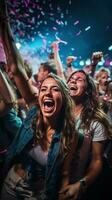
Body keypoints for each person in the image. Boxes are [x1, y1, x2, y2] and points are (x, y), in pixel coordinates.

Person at [0, 1, 78, 199]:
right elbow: (16, 69)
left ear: (65, 98)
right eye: (44, 89)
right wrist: (4, 20)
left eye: (55, 90)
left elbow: (66, 174)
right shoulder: (34, 112)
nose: (47, 93)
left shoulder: (69, 133)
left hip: (35, 193)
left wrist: (69, 190)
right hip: (10, 182)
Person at [59, 70, 112, 200]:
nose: (72, 80)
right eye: (71, 78)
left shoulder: (95, 122)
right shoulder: (57, 111)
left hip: (71, 182)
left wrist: (81, 184)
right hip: (44, 177)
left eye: (79, 79)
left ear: (87, 90)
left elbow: (97, 160)